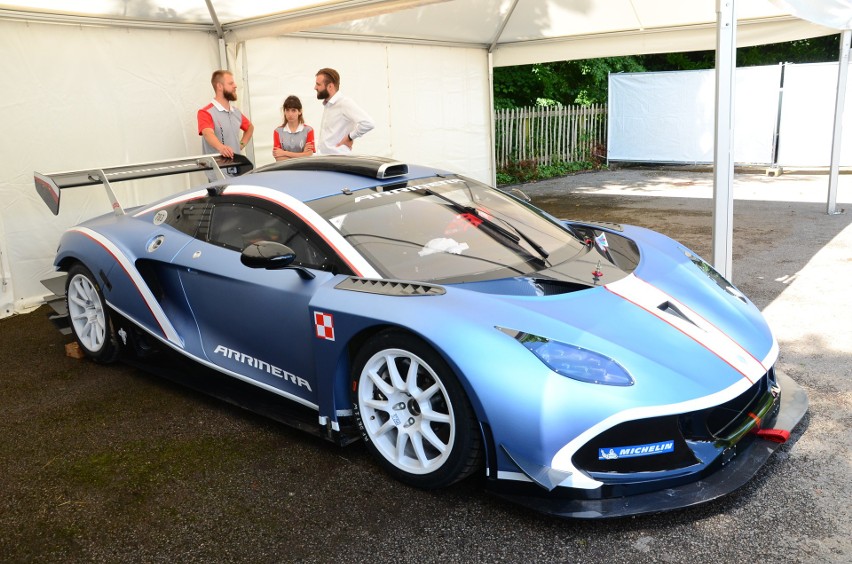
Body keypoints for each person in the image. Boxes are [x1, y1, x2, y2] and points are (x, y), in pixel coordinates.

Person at [197, 70, 254, 167]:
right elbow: (207, 133)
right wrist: (221, 148)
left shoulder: (236, 112)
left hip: (236, 169)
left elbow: (250, 127)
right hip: (218, 172)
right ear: (219, 86)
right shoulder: (205, 112)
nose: (235, 86)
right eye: (231, 83)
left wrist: (240, 144)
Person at [314, 67, 374, 155]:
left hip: (337, 160)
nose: (315, 87)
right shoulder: (328, 105)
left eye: (318, 84)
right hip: (326, 160)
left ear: (330, 86)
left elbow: (369, 123)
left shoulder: (344, 103)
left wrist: (350, 137)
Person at [273, 95, 315, 161]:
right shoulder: (278, 131)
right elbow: (278, 158)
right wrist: (302, 154)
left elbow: (309, 155)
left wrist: (284, 153)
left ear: (300, 112)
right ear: (284, 111)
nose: (290, 114)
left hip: (304, 169)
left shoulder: (308, 130)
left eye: (293, 110)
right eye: (287, 110)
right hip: (285, 169)